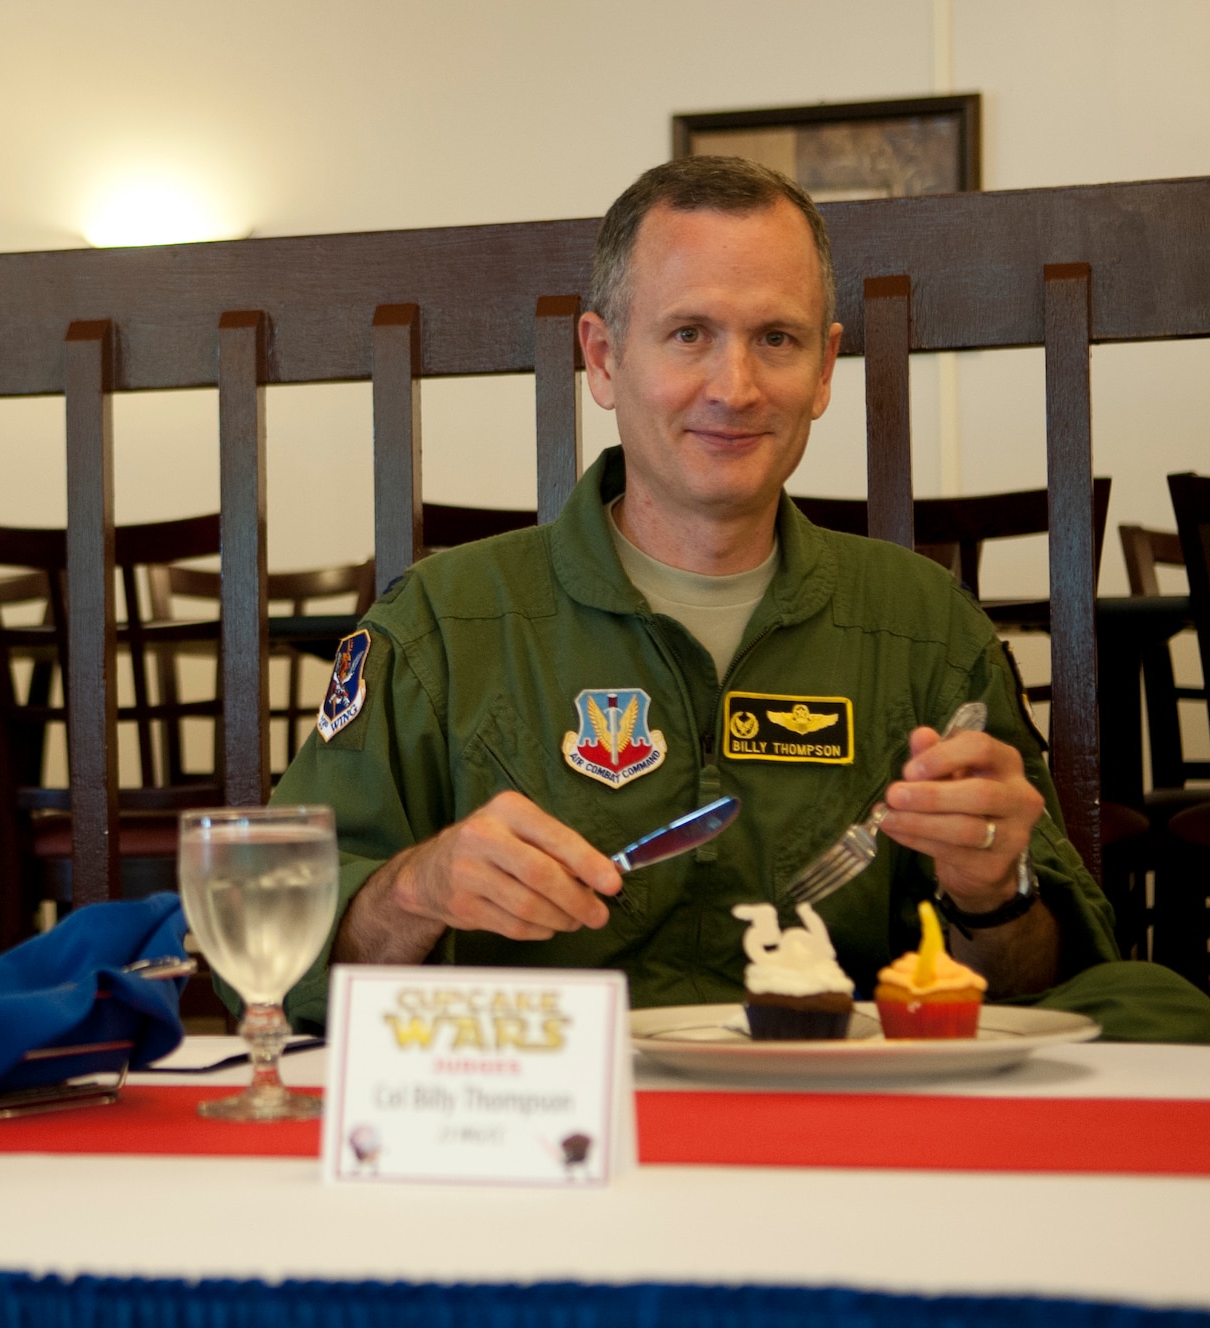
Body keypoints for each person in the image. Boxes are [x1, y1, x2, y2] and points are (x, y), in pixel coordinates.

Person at [272, 156, 1210, 1043]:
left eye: (776, 339)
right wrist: (416, 889)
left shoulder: (926, 627)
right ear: (602, 358)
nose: (736, 387)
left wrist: (991, 891)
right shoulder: (440, 624)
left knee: (1161, 1007)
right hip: (549, 1128)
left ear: (825, 368)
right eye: (690, 334)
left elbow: (1027, 988)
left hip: (844, 1118)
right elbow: (274, 951)